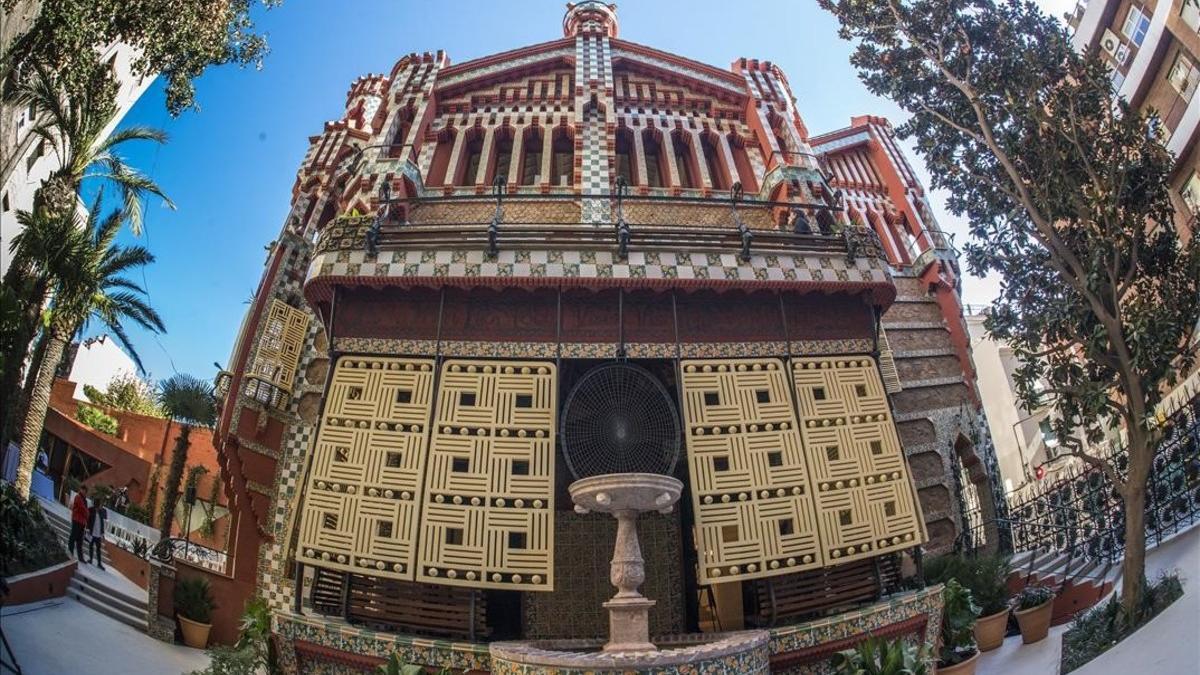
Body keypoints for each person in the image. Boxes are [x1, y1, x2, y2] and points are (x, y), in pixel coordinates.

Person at [68, 485, 89, 563]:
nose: (84, 492)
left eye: (85, 491)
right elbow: (82, 508)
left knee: (80, 541)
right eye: (83, 490)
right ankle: (70, 553)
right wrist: (87, 513)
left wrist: (86, 514)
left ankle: (80, 557)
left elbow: (85, 510)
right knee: (73, 537)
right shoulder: (78, 497)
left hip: (82, 522)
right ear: (81, 490)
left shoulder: (85, 500)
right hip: (77, 519)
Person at [87, 496, 107, 569]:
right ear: (97, 504)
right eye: (100, 504)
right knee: (91, 546)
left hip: (98, 533)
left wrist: (102, 533)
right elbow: (88, 520)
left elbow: (102, 523)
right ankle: (90, 559)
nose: (101, 506)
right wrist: (88, 529)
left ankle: (99, 563)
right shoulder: (91, 510)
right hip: (92, 532)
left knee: (98, 549)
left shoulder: (101, 512)